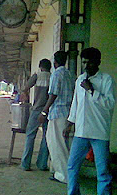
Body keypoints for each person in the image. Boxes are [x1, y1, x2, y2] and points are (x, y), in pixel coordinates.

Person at [64, 47, 115, 195]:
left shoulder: (106, 80)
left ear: (97, 62)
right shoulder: (80, 79)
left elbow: (110, 104)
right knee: (72, 166)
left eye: (90, 63)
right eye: (84, 62)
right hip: (81, 132)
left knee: (103, 172)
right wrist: (70, 123)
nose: (86, 66)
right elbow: (76, 104)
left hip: (99, 133)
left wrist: (92, 91)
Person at [38, 51, 73, 184]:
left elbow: (53, 94)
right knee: (62, 144)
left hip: (57, 113)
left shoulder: (57, 74)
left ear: (55, 62)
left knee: (56, 144)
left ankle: (63, 175)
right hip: (67, 113)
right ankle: (60, 172)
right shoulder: (70, 74)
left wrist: (44, 112)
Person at [20, 59, 51, 171]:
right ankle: (42, 164)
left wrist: (25, 93)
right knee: (46, 137)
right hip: (48, 111)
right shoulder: (52, 77)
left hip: (36, 110)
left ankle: (25, 164)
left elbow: (25, 87)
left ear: (40, 66)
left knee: (30, 136)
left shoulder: (37, 76)